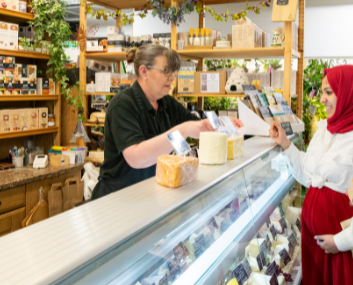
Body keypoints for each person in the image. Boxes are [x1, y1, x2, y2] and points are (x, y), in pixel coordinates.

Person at [269, 65, 353, 285]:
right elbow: (311, 177)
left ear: (350, 93)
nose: (322, 99)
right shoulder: (325, 131)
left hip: (348, 252)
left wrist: (341, 241)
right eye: (322, 92)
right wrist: (285, 144)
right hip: (316, 246)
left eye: (329, 92)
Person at [91, 45, 243, 199]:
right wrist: (182, 131)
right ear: (144, 71)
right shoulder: (122, 104)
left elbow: (199, 126)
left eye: (174, 72)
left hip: (151, 193)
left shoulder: (167, 103)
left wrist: (223, 123)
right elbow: (136, 157)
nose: (172, 77)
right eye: (166, 71)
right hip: (117, 198)